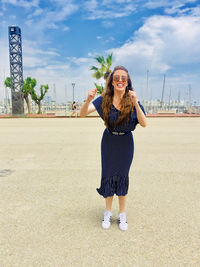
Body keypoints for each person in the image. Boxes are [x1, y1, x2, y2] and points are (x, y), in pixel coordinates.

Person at [80, 66, 146, 231]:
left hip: (126, 144)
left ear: (127, 81)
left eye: (123, 78)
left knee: (123, 176)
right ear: (111, 81)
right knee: (108, 175)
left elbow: (144, 123)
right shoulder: (104, 99)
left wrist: (136, 103)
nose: (120, 81)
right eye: (116, 77)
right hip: (109, 142)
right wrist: (88, 99)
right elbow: (82, 114)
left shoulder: (132, 99)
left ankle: (122, 215)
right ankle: (108, 212)